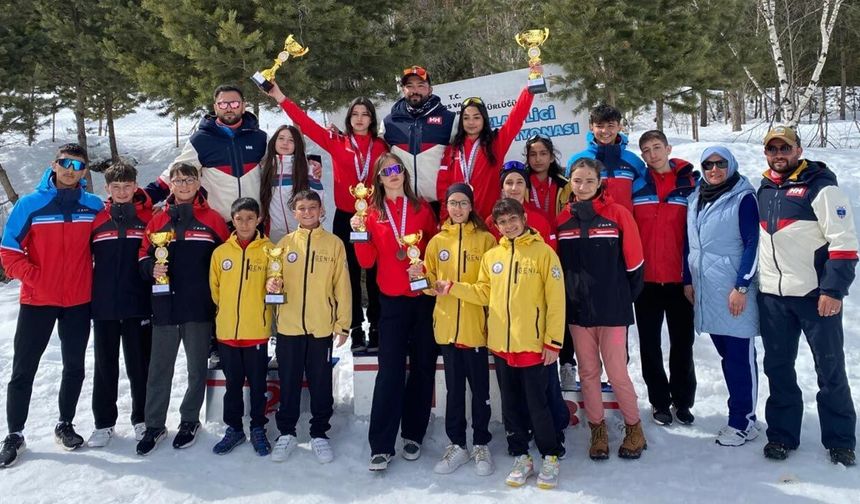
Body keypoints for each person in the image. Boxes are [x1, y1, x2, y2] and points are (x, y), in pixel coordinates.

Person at [435, 198, 565, 489]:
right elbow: (483, 293)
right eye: (503, 222)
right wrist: (453, 287)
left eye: (513, 220)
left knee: (538, 404)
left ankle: (550, 455)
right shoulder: (493, 256)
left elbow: (556, 301)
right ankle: (521, 455)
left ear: (524, 217)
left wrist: (553, 341)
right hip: (503, 345)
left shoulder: (544, 254)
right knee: (510, 404)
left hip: (532, 344)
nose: (509, 226)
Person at [757, 126, 858, 466]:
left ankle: (841, 439)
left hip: (816, 297)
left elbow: (844, 244)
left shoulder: (822, 188)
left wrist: (833, 290)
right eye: (772, 149)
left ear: (798, 149)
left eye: (784, 147)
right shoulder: (764, 188)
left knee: (829, 369)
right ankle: (782, 435)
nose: (778, 154)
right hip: (773, 298)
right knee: (778, 368)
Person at [0, 144, 103, 467]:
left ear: (85, 171)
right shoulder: (31, 204)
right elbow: (8, 250)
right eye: (65, 163)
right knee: (23, 370)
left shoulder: (93, 206)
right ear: (54, 165)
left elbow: (109, 243)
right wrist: (33, 277)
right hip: (37, 300)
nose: (70, 170)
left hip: (78, 300)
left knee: (74, 367)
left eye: (78, 165)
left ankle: (65, 424)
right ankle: (15, 433)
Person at [266, 82, 387, 353]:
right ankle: (356, 327)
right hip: (346, 217)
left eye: (365, 114)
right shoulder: (337, 142)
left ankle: (377, 325)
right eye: (354, 113)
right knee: (350, 275)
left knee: (376, 272)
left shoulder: (382, 146)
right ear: (348, 118)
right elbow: (305, 124)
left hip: (375, 217)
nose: (359, 118)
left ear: (371, 118)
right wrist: (280, 98)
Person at [350, 153, 438, 472]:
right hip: (392, 303)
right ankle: (382, 445)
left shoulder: (421, 207)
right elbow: (366, 263)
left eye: (397, 169)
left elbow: (435, 249)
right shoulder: (371, 214)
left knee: (423, 365)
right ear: (379, 178)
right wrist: (358, 233)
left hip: (423, 299)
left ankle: (413, 433)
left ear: (404, 173)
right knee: (389, 370)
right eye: (386, 171)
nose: (393, 175)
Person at [136, 163, 230, 456]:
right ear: (171, 184)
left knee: (195, 370)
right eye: (178, 180)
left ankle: (190, 420)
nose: (184, 185)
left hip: (198, 307)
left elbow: (225, 260)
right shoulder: (157, 220)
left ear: (198, 182)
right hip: (164, 306)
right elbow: (142, 254)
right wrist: (151, 266)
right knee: (159, 368)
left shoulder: (212, 219)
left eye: (189, 180)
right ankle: (154, 424)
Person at [557, 158, 646, 460]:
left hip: (612, 311)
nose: (582, 187)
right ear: (570, 182)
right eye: (577, 181)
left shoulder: (618, 215)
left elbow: (635, 265)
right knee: (589, 372)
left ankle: (634, 428)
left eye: (589, 181)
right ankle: (598, 430)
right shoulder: (562, 221)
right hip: (578, 313)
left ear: (599, 183)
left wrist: (620, 298)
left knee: (618, 372)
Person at [416, 183, 497, 475]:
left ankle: (481, 443)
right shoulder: (437, 242)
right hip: (447, 329)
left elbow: (489, 291)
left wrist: (455, 288)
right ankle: (457, 444)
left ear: (471, 206)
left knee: (480, 392)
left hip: (476, 329)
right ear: (446, 207)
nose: (458, 208)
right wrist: (420, 278)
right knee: (453, 391)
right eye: (452, 203)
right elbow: (427, 288)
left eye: (463, 203)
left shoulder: (487, 241)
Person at [268, 190, 351, 464]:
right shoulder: (284, 244)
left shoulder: (334, 244)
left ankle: (319, 433)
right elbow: (272, 278)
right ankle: (287, 432)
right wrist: (272, 285)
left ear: (321, 210)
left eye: (312, 208)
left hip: (321, 326)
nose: (307, 213)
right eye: (301, 208)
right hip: (289, 326)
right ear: (294, 213)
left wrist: (343, 324)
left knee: (320, 380)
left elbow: (343, 286)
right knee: (289, 380)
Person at [686, 146, 760, 446]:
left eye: (720, 164)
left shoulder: (743, 198)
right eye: (708, 165)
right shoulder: (696, 198)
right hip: (707, 289)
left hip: (733, 290)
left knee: (740, 357)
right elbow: (687, 243)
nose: (714, 170)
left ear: (731, 165)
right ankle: (741, 415)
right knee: (727, 356)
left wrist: (742, 285)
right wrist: (686, 279)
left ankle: (744, 421)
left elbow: (753, 243)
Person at [632, 130, 699, 426]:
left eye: (657, 147)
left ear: (668, 148)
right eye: (646, 150)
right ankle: (659, 402)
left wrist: (692, 276)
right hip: (645, 282)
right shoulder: (637, 184)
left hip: (679, 280)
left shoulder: (690, 184)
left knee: (682, 344)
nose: (652, 154)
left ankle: (683, 402)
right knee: (649, 345)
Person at [87, 162, 153, 448]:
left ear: (136, 186)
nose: (123, 192)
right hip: (103, 305)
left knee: (140, 365)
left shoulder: (148, 220)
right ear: (107, 189)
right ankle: (104, 422)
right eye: (117, 187)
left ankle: (142, 418)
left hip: (138, 303)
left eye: (127, 186)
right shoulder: (96, 220)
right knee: (105, 365)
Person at [208, 198, 274, 456]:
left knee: (258, 384)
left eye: (250, 218)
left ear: (258, 220)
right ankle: (234, 428)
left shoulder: (270, 251)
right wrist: (226, 315)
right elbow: (215, 291)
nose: (245, 223)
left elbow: (275, 286)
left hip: (255, 331)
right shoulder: (221, 253)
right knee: (232, 384)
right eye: (239, 218)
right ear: (232, 221)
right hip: (227, 333)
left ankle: (258, 426)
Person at [145, 85, 267, 222]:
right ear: (215, 107)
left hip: (252, 223)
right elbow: (175, 172)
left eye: (234, 103)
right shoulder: (201, 140)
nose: (228, 108)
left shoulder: (260, 138)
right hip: (218, 223)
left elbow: (279, 170)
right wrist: (144, 198)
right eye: (222, 104)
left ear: (243, 106)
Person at [436, 84, 535, 220]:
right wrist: (445, 217)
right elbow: (443, 186)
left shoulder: (496, 143)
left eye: (476, 117)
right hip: (459, 219)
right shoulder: (452, 149)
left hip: (489, 219)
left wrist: (528, 91)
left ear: (484, 119)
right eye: (466, 118)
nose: (471, 122)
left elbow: (516, 118)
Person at [383, 65, 456, 205]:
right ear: (403, 90)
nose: (414, 91)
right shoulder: (389, 123)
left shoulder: (449, 120)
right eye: (409, 86)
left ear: (430, 89)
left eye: (420, 85)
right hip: (405, 205)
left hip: (440, 203)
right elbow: (370, 147)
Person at [565, 104, 646, 212]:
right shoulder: (577, 160)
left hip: (624, 224)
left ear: (619, 127)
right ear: (591, 127)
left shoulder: (633, 161)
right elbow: (567, 196)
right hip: (588, 226)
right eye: (599, 126)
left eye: (610, 126)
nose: (605, 131)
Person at [258, 124, 325, 243]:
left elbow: (318, 201)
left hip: (303, 233)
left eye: (291, 140)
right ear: (274, 141)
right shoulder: (265, 168)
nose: (285, 143)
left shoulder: (308, 169)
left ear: (297, 144)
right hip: (275, 234)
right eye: (281, 138)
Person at [485, 161, 556, 250]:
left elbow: (551, 254)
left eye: (519, 182)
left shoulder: (542, 218)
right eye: (509, 183)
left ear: (526, 186)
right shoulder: (492, 221)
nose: (514, 188)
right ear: (502, 188)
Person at [524, 135, 571, 222]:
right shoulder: (522, 184)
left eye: (543, 153)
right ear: (528, 159)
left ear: (552, 157)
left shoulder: (565, 185)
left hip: (558, 234)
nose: (538, 159)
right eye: (533, 154)